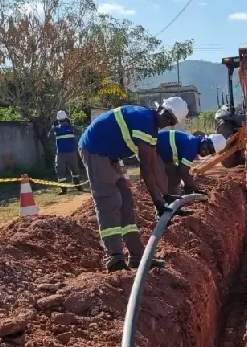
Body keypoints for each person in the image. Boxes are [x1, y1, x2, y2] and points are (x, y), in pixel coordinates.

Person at [78, 96, 192, 272]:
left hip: (110, 156)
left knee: (126, 202)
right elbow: (145, 167)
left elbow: (155, 165)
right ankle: (115, 257)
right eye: (167, 116)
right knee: (109, 200)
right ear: (160, 108)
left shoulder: (152, 128)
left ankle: (137, 257)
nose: (167, 122)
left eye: (172, 121)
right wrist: (158, 202)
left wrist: (165, 195)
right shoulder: (144, 121)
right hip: (95, 150)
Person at [156, 130, 227, 195]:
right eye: (208, 147)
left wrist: (188, 184)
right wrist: (194, 188)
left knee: (174, 175)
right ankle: (168, 204)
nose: (207, 151)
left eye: (210, 151)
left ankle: (171, 201)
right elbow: (182, 170)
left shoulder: (194, 142)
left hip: (162, 154)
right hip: (155, 151)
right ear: (204, 140)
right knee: (173, 179)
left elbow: (183, 168)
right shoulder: (192, 146)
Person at [49, 110, 84, 195]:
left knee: (61, 171)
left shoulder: (56, 128)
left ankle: (64, 189)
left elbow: (49, 137)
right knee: (74, 170)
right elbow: (81, 132)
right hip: (71, 153)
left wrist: (53, 127)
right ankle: (78, 186)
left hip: (61, 154)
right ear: (66, 118)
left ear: (58, 120)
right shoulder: (71, 128)